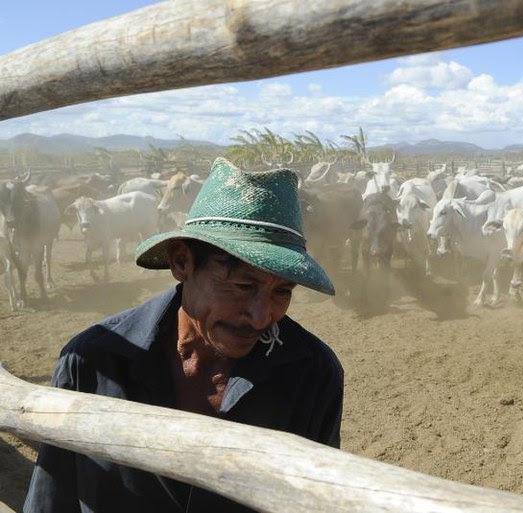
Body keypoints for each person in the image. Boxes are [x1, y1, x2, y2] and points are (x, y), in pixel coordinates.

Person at [23, 158, 343, 513]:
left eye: (282, 292)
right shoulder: (92, 363)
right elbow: (50, 503)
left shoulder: (312, 373)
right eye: (242, 285)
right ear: (181, 263)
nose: (260, 316)